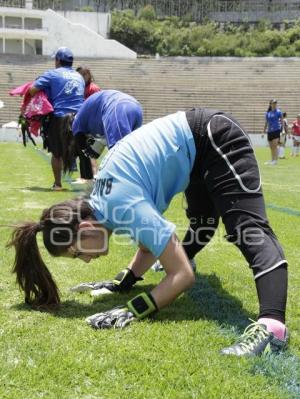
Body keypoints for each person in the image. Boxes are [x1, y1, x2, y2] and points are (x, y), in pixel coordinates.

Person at [9, 108, 288, 357]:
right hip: (197, 148)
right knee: (203, 225)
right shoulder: (104, 204)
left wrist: (132, 310)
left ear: (85, 228)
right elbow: (147, 245)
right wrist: (123, 282)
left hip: (215, 138)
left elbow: (182, 276)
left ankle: (273, 327)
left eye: (77, 253)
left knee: (247, 230)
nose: (84, 260)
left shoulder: (119, 203)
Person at [28, 47, 85, 191]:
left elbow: (32, 90)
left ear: (58, 60)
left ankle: (58, 184)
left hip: (60, 117)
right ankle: (89, 180)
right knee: (84, 151)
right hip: (80, 117)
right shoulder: (79, 76)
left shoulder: (52, 74)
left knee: (56, 153)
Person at [61, 89, 143, 177]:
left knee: (119, 154)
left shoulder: (76, 124)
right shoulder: (87, 115)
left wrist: (90, 149)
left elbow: (85, 147)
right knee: (131, 152)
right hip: (135, 107)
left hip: (117, 108)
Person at [263, 99, 282, 165]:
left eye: (275, 103)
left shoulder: (279, 112)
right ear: (270, 104)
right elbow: (266, 122)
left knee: (275, 145)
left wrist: (283, 130)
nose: (274, 104)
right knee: (271, 147)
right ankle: (272, 160)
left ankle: (275, 160)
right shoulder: (267, 113)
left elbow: (282, 121)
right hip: (269, 131)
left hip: (276, 130)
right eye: (273, 103)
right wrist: (263, 131)